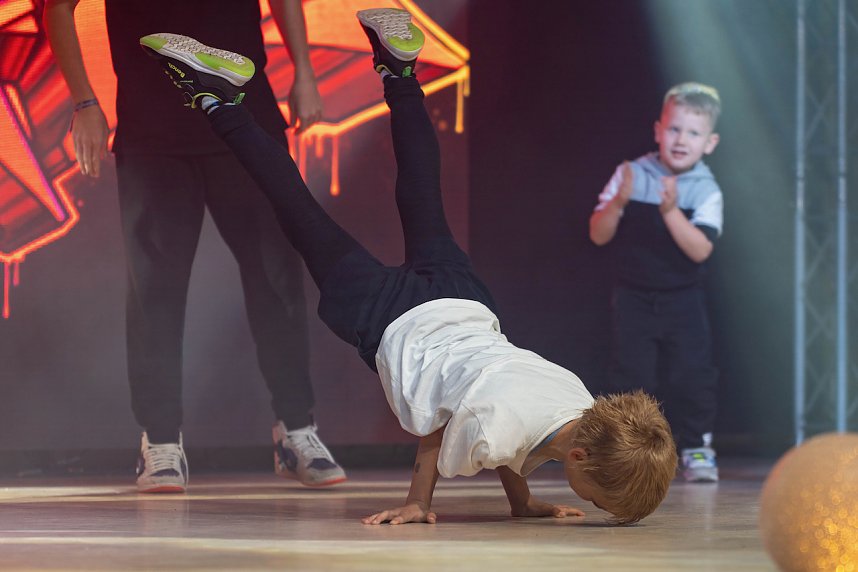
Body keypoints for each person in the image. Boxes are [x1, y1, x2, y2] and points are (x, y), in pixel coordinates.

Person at [137, 7, 677, 524]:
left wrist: (522, 503)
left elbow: (515, 438)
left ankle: (399, 69)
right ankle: (219, 99)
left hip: (464, 299)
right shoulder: (503, 431)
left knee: (421, 190)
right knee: (295, 208)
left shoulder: (578, 401)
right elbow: (445, 435)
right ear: (580, 458)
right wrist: (418, 502)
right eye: (601, 502)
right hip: (394, 318)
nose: (594, 507)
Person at [43, 0, 346, 492]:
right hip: (152, 130)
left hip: (247, 117)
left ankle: (297, 431)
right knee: (155, 289)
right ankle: (161, 442)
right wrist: (85, 103)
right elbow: (57, 8)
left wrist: (305, 70)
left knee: (277, 276)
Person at [589, 82, 723, 482]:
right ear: (658, 130)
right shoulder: (631, 172)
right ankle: (625, 453)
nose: (682, 140)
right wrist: (619, 201)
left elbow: (700, 250)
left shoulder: (706, 188)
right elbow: (598, 234)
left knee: (692, 374)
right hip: (633, 296)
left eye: (693, 133)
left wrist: (669, 211)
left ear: (709, 142)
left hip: (683, 299)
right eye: (674, 129)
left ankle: (697, 448)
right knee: (630, 375)